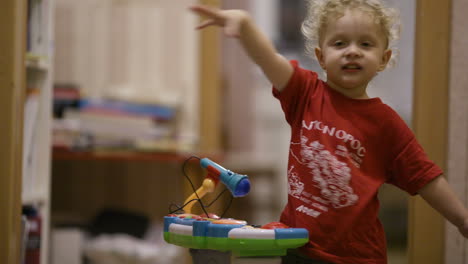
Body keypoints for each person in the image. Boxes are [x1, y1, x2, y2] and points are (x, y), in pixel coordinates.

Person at [190, 1, 468, 263]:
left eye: (366, 44)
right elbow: (268, 60)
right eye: (340, 43)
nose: (352, 51)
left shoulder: (386, 124)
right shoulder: (305, 93)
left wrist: (461, 219)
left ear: (383, 59)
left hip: (357, 256)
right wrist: (246, 26)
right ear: (322, 57)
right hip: (297, 245)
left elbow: (425, 177)